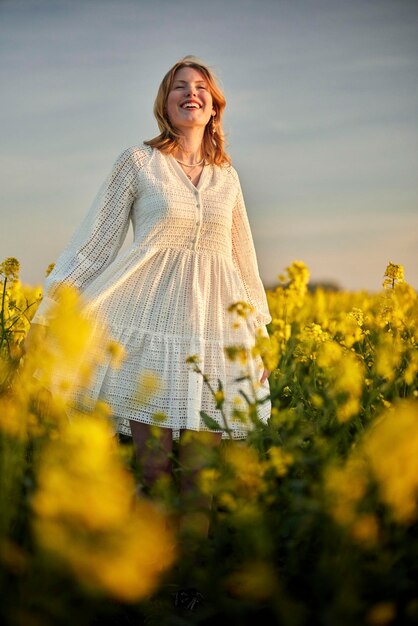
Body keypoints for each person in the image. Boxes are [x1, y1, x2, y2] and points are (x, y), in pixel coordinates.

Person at [29, 55, 272, 542]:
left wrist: (260, 337)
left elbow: (243, 261)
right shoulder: (139, 162)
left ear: (213, 106)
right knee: (155, 472)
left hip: (214, 338)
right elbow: (95, 242)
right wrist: (48, 312)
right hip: (148, 334)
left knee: (201, 478)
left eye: (201, 87)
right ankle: (150, 581)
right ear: (165, 103)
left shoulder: (228, 177)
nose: (191, 93)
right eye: (179, 86)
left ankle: (190, 591)